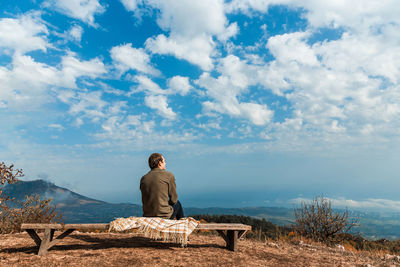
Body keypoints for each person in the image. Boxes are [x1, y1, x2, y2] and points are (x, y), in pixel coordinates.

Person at [140, 153, 184, 220]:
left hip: (148, 215)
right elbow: (174, 200)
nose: (165, 163)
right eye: (164, 161)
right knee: (178, 204)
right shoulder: (168, 175)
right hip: (164, 215)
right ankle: (182, 224)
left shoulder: (143, 178)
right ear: (160, 163)